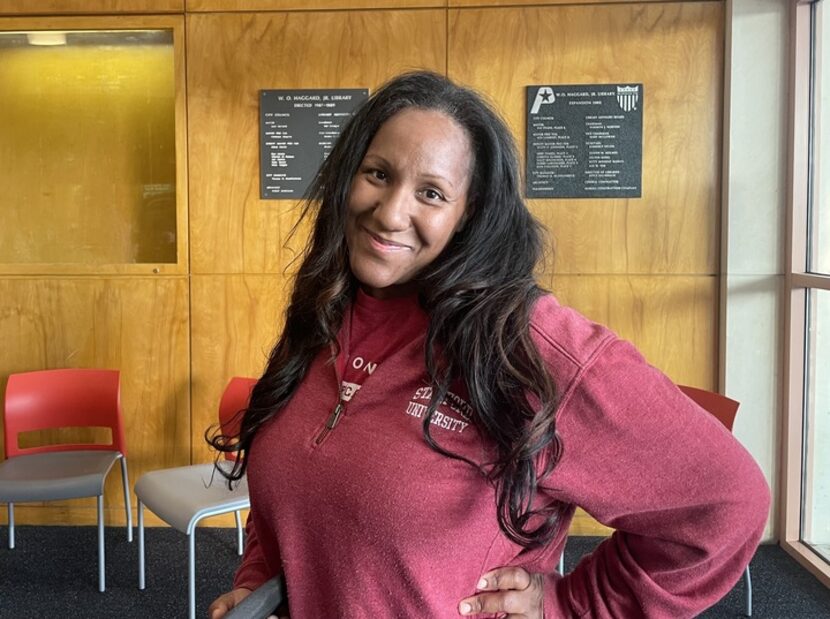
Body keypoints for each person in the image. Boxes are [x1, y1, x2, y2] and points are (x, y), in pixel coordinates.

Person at [207, 71, 770, 618]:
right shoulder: (324, 312)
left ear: (469, 211)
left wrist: (571, 604)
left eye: (431, 192)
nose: (391, 211)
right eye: (378, 174)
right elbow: (294, 490)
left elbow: (727, 505)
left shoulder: (528, 349)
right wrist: (258, 582)